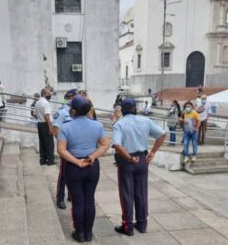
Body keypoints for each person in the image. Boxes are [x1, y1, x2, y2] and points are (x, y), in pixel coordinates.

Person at [57, 95, 110, 242]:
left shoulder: (66, 127)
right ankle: (88, 233)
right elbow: (105, 144)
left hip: (74, 168)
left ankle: (79, 233)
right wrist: (93, 155)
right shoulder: (97, 125)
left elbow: (61, 150)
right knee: (89, 200)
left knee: (78, 201)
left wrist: (76, 161)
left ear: (73, 111)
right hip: (92, 166)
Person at [112, 98, 166, 236]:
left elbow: (117, 145)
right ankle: (142, 224)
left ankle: (127, 226)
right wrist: (153, 152)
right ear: (135, 109)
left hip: (127, 161)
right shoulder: (145, 121)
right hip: (142, 159)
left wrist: (129, 158)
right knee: (141, 193)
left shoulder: (119, 124)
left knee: (126, 193)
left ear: (122, 110)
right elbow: (162, 134)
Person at [53, 88, 78, 210]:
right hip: (66, 147)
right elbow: (55, 129)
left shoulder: (78, 111)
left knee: (74, 173)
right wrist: (63, 145)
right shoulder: (62, 111)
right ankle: (60, 198)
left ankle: (71, 195)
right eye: (75, 97)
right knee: (63, 174)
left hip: (76, 147)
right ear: (69, 98)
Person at [34, 88, 55, 165]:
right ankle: (50, 161)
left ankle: (42, 160)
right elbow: (47, 115)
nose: (50, 95)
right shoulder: (46, 103)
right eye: (48, 93)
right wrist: (50, 127)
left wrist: (40, 118)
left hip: (40, 124)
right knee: (49, 143)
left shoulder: (38, 102)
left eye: (50, 93)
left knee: (42, 142)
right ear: (43, 94)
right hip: (46, 124)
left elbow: (35, 114)